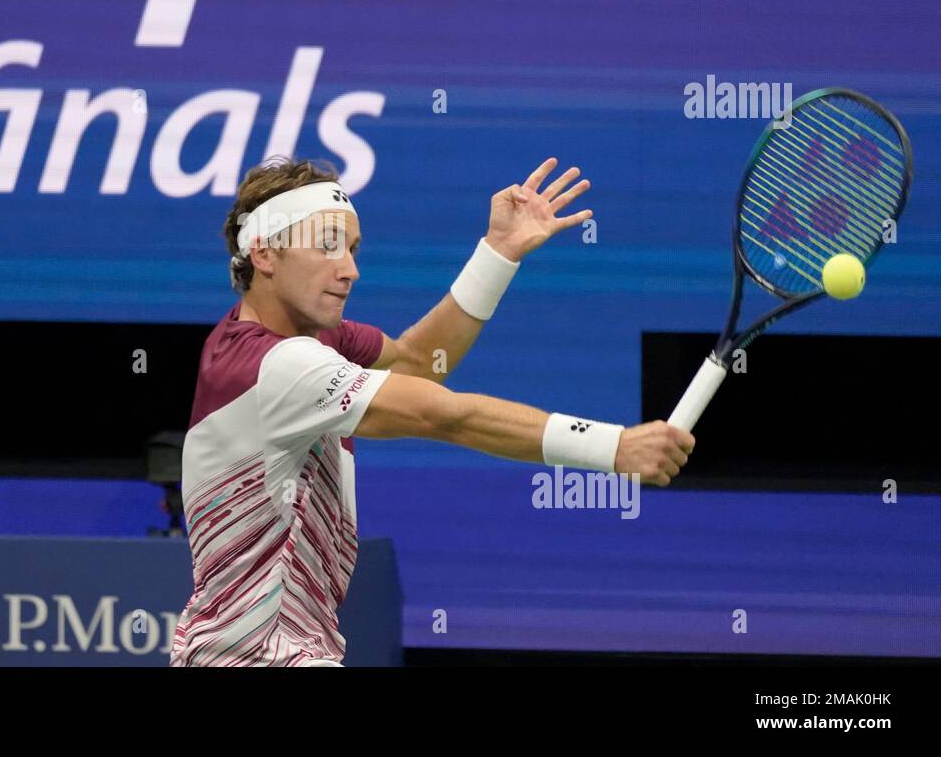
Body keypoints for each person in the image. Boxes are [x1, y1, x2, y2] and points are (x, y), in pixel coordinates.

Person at [169, 155, 694, 666]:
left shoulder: (290, 341)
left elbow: (420, 362)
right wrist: (613, 447)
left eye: (352, 249)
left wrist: (499, 251)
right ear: (263, 253)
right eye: (328, 245)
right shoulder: (279, 365)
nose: (349, 270)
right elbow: (444, 415)